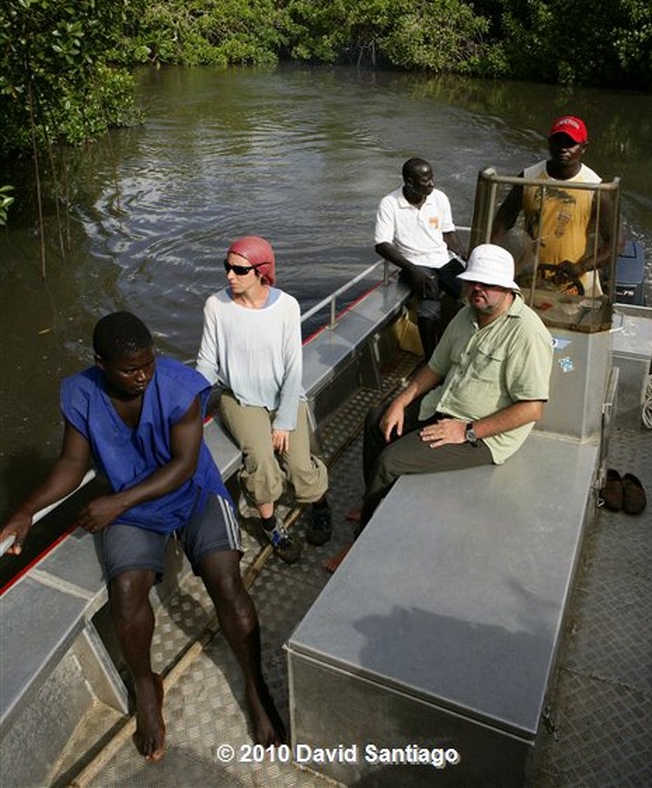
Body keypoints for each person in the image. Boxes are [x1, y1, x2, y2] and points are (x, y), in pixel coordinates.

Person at [0, 312, 284, 760]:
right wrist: (25, 510)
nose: (143, 376)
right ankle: (147, 689)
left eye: (148, 364)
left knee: (226, 582)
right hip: (133, 506)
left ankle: (254, 684)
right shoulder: (80, 392)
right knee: (127, 592)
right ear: (100, 363)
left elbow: (184, 465)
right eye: (130, 368)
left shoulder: (178, 386)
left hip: (189, 492)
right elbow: (73, 464)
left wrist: (116, 503)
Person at [358, 244, 554, 532]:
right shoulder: (466, 314)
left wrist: (467, 430)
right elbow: (435, 367)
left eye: (487, 283)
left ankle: (362, 537)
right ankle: (371, 502)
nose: (477, 288)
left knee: (390, 462)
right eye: (473, 281)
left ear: (506, 287)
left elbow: (531, 409)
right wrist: (400, 402)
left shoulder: (526, 333)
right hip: (443, 407)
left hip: (482, 435)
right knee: (377, 419)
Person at [196, 236, 331, 564]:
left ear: (261, 272)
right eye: (227, 267)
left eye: (239, 270)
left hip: (283, 392)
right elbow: (206, 363)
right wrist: (187, 405)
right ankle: (271, 525)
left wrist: (285, 420)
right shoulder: (216, 306)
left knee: (299, 464)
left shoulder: (287, 306)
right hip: (240, 399)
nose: (230, 275)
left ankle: (319, 504)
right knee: (260, 459)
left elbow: (292, 367)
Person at [492, 115, 615, 296]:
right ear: (549, 143)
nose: (563, 148)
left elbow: (615, 243)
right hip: (529, 278)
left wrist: (581, 267)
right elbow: (502, 223)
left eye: (570, 143)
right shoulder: (527, 178)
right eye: (558, 141)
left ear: (584, 147)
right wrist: (490, 259)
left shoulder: (596, 188)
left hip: (574, 284)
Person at [374, 157, 467, 357]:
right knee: (430, 301)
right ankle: (430, 357)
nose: (432, 184)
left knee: (469, 292)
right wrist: (412, 270)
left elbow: (448, 233)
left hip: (443, 259)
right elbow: (382, 245)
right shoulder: (389, 204)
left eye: (432, 178)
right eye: (426, 181)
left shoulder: (439, 198)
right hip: (414, 262)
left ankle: (463, 348)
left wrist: (465, 254)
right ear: (409, 182)